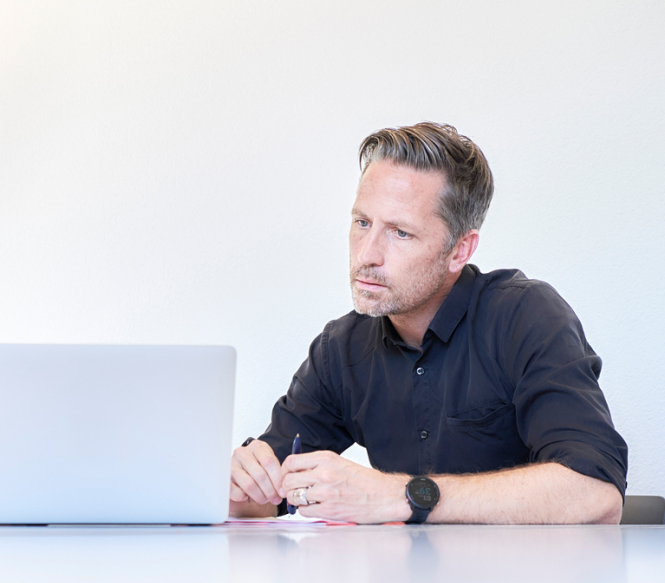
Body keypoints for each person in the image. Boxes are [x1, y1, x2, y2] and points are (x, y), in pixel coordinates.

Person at [230, 123, 627, 525]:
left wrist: (401, 496)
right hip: (401, 567)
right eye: (362, 223)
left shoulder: (524, 317)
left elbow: (597, 495)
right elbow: (264, 495)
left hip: (523, 567)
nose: (367, 255)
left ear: (459, 250)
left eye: (400, 232)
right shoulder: (341, 348)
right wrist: (239, 484)